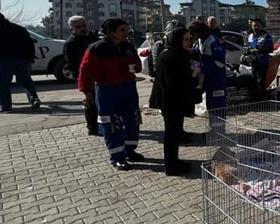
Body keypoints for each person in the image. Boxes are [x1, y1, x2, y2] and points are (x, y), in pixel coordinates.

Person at [78, 18, 144, 171]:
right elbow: (85, 71)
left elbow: (138, 65)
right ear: (111, 32)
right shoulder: (96, 49)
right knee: (112, 124)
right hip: (107, 91)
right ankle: (117, 157)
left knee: (132, 120)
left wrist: (135, 67)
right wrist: (86, 92)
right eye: (122, 30)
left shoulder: (128, 47)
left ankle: (130, 151)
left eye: (126, 30)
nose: (126, 33)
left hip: (128, 88)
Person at [149, 26, 198, 176]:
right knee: (171, 135)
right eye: (185, 39)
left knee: (175, 134)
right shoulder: (170, 56)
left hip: (175, 101)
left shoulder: (178, 54)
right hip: (170, 102)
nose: (188, 42)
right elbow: (174, 83)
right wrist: (195, 77)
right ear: (176, 39)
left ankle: (174, 161)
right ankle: (171, 166)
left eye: (190, 39)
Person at [63, 15, 99, 134]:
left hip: (98, 74)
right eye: (78, 27)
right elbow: (71, 63)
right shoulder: (70, 43)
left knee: (100, 101)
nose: (82, 28)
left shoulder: (93, 37)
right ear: (72, 29)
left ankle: (103, 125)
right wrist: (79, 79)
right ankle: (92, 128)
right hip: (85, 76)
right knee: (90, 102)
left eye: (84, 25)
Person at [0, 12, 41, 112]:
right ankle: (34, 99)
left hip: (5, 60)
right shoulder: (19, 29)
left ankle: (6, 106)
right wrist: (30, 58)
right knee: (25, 80)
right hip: (23, 59)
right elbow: (30, 43)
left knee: (4, 83)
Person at [190, 21, 227, 114]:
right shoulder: (201, 40)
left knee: (218, 106)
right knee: (210, 105)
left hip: (216, 79)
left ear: (199, 32)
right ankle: (213, 127)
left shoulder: (213, 41)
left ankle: (220, 127)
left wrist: (202, 70)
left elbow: (220, 62)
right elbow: (200, 53)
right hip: (208, 78)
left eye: (193, 33)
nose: (191, 36)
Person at [245, 18, 273, 101]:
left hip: (263, 62)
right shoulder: (249, 36)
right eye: (254, 25)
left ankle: (263, 100)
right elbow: (248, 48)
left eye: (257, 25)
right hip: (253, 62)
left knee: (261, 81)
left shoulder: (266, 36)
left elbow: (271, 49)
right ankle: (256, 99)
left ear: (261, 26)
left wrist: (259, 51)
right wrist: (245, 55)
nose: (255, 27)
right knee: (253, 81)